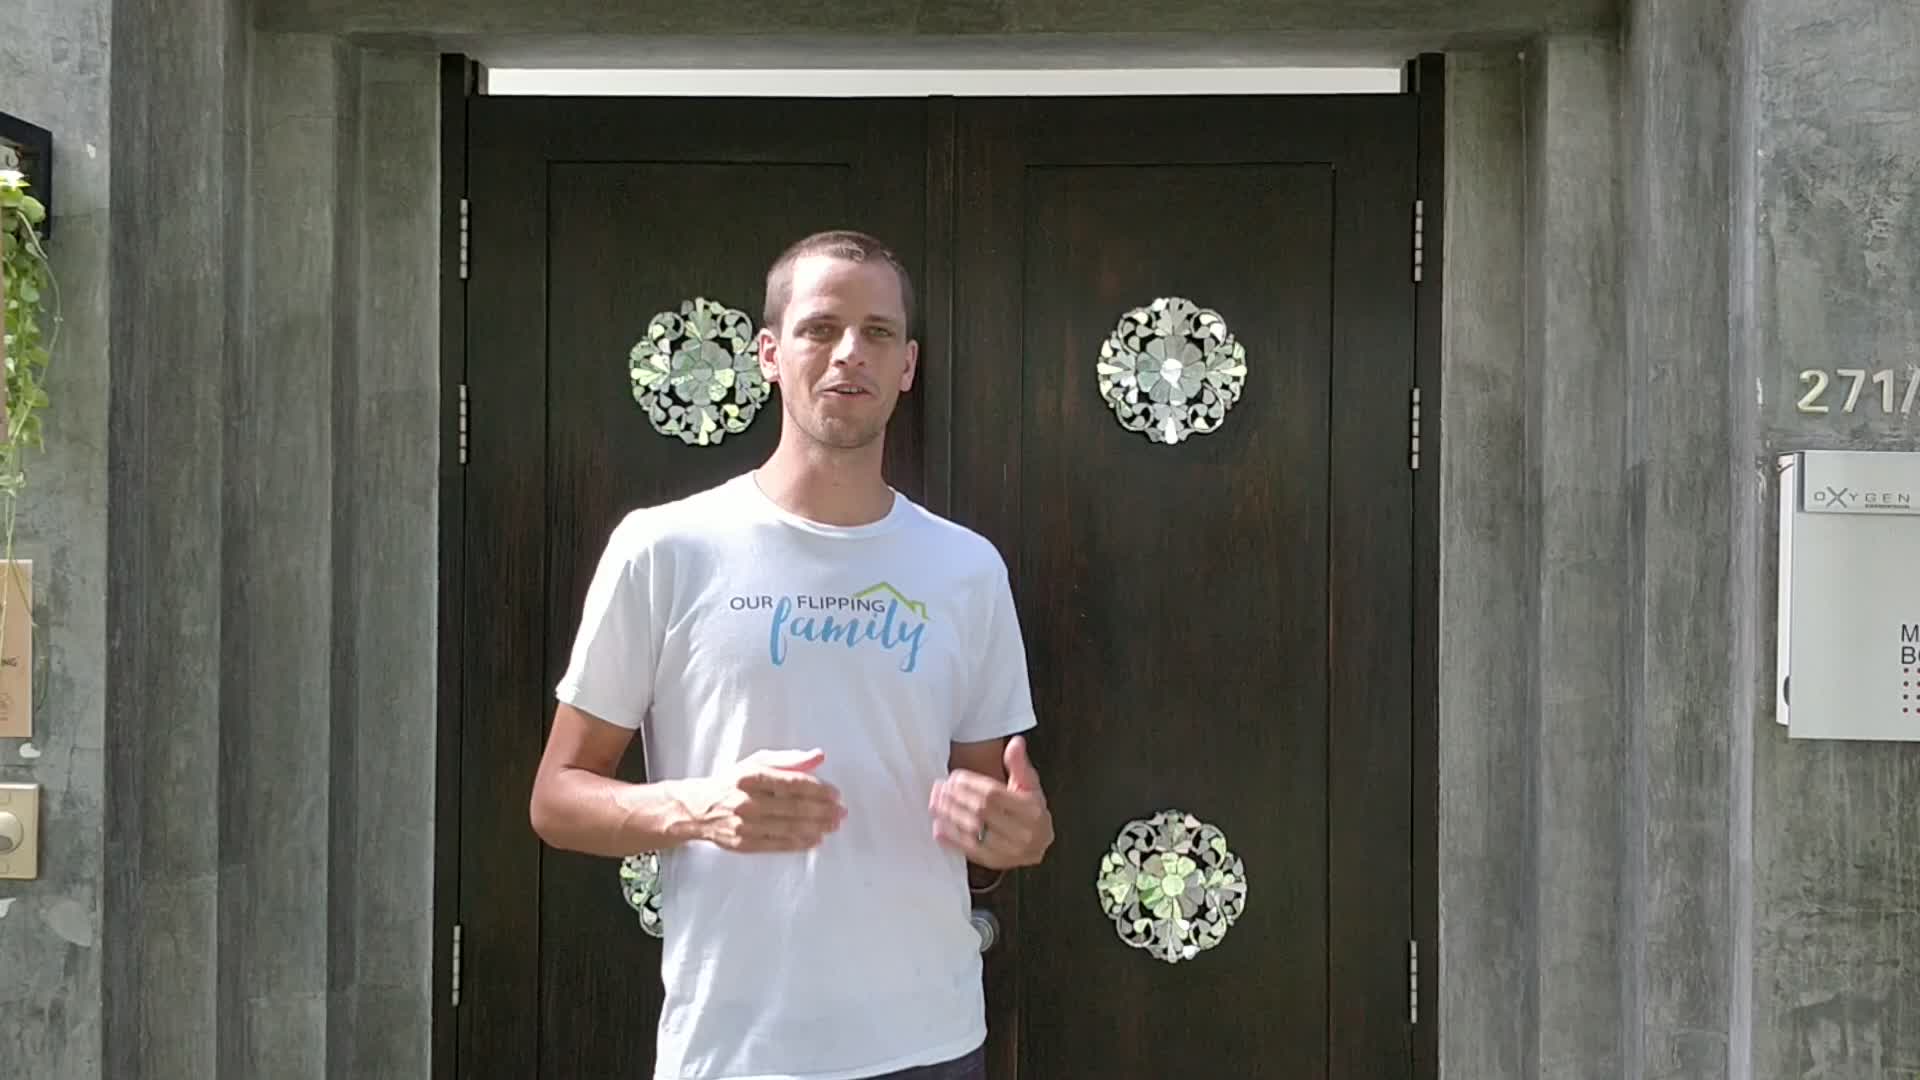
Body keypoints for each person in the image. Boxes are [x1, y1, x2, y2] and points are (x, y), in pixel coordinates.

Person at [529, 229, 1055, 1080]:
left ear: (908, 366)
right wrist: (700, 808)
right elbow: (557, 799)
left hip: (929, 1042)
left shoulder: (966, 568)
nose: (850, 352)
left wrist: (1015, 835)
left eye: (878, 332)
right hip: (736, 1049)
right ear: (769, 354)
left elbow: (988, 808)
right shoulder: (664, 549)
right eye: (820, 328)